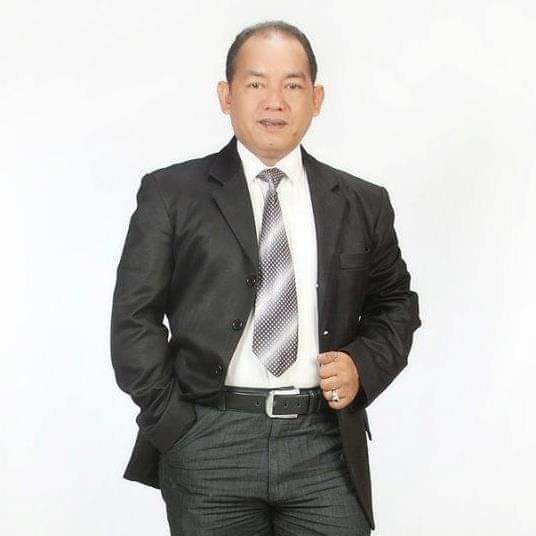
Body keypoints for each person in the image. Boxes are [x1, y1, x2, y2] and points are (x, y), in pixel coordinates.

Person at [110, 20, 421, 535]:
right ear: (226, 96)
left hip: (324, 443)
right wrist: (174, 425)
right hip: (208, 439)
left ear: (316, 99)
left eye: (292, 85)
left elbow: (396, 305)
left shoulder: (362, 203)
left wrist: (362, 366)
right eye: (256, 83)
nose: (275, 101)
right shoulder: (171, 194)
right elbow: (133, 319)